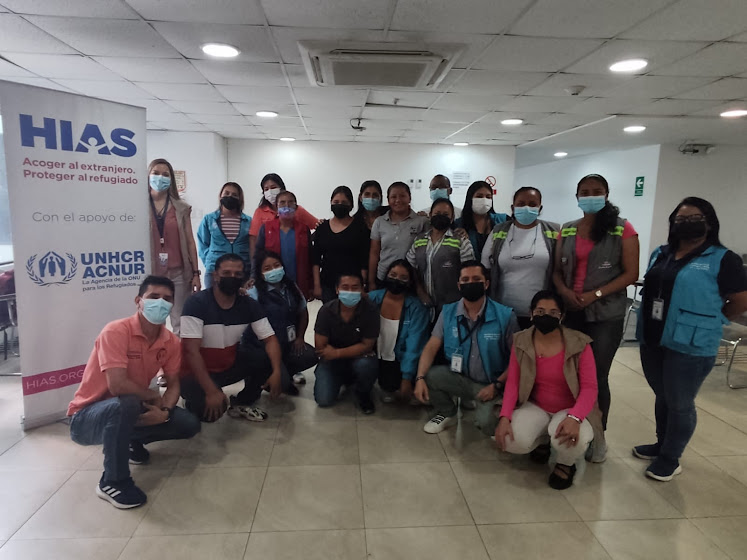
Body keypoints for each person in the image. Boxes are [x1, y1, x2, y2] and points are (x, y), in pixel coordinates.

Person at [633, 197, 747, 481]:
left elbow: (740, 300)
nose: (687, 224)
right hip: (654, 336)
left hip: (692, 343)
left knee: (680, 402)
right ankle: (661, 444)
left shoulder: (723, 259)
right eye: (681, 219)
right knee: (663, 395)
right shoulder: (661, 252)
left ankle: (671, 458)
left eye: (695, 218)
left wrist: (714, 319)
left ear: (710, 223)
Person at [68, 276, 201, 509]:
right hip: (86, 417)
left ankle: (127, 441)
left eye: (167, 299)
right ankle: (112, 481)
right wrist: (153, 396)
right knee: (126, 403)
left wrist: (164, 411)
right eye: (154, 297)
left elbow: (173, 384)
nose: (161, 303)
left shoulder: (170, 341)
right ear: (139, 301)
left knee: (188, 423)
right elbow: (117, 386)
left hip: (130, 409)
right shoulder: (116, 331)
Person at [553, 173, 639, 462]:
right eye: (585, 192)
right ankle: (572, 428)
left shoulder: (622, 229)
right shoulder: (567, 229)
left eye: (597, 191)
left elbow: (631, 274)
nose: (591, 196)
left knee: (597, 376)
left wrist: (595, 294)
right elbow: (556, 271)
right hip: (572, 311)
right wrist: (564, 292)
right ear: (577, 197)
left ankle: (598, 437)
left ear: (606, 194)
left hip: (605, 314)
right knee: (569, 373)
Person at [495, 291, 600, 490]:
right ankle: (543, 440)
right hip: (537, 406)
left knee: (571, 440)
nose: (546, 316)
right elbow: (513, 383)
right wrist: (505, 416)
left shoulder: (579, 344)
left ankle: (565, 463)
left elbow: (590, 388)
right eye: (540, 311)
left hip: (570, 409)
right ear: (531, 313)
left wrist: (575, 417)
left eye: (553, 312)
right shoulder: (521, 340)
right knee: (510, 440)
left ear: (562, 316)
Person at [414, 261, 518, 435]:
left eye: (476, 279)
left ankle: (488, 407)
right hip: (461, 378)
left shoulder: (505, 315)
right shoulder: (448, 312)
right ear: (459, 285)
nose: (470, 283)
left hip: (492, 383)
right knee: (430, 376)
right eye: (465, 280)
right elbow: (431, 346)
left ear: (486, 283)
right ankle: (448, 413)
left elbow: (517, 358)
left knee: (488, 426)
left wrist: (497, 384)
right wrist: (419, 378)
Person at [180, 254, 284, 423]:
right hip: (193, 373)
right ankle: (192, 400)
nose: (232, 277)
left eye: (237, 274)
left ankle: (243, 402)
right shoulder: (196, 304)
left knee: (263, 358)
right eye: (226, 273)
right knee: (210, 414)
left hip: (227, 365)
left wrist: (277, 371)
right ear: (215, 275)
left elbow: (270, 340)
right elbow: (191, 352)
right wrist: (211, 391)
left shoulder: (249, 305)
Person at [481, 187, 559, 329]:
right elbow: (485, 267)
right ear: (513, 207)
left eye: (532, 204)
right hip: (503, 312)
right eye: (521, 204)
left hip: (542, 314)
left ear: (540, 208)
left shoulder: (553, 231)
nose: (526, 208)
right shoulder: (498, 231)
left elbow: (562, 268)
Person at [249, 250, 318, 390]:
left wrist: (300, 337)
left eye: (276, 265)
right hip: (265, 348)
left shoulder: (291, 287)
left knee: (310, 355)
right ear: (260, 273)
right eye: (267, 268)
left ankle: (286, 372)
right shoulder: (254, 293)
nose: (273, 270)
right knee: (281, 382)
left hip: (288, 343)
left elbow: (303, 312)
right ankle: (264, 376)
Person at [313, 271, 380, 414]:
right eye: (345, 287)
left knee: (366, 365)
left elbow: (367, 345)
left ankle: (363, 393)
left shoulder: (371, 310)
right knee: (323, 400)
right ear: (337, 289)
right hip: (332, 362)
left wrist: (336, 353)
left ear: (362, 289)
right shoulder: (326, 310)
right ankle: (343, 379)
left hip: (358, 359)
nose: (350, 292)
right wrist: (350, 351)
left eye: (355, 287)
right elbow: (320, 347)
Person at [147, 158, 200, 335]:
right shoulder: (138, 206)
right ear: (148, 175)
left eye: (165, 174)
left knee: (180, 321)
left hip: (178, 272)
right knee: (154, 320)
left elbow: (190, 241)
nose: (160, 178)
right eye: (156, 173)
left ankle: (177, 352)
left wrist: (196, 273)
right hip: (152, 272)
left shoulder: (181, 208)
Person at [367, 260, 430, 403]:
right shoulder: (372, 298)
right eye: (393, 275)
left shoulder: (417, 308)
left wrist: (406, 377)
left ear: (410, 282)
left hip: (401, 360)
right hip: (374, 356)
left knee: (401, 393)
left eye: (403, 278)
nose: (396, 280)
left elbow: (415, 345)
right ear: (386, 275)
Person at [407, 198, 475, 313]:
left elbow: (470, 271)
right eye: (437, 213)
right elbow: (411, 266)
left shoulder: (461, 240)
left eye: (445, 214)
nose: (441, 217)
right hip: (423, 305)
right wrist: (420, 291)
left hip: (452, 305)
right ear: (430, 215)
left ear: (452, 218)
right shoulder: (419, 240)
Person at [312, 186, 371, 302]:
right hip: (327, 284)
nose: (339, 205)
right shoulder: (322, 228)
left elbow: (364, 260)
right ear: (331, 203)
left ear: (351, 205)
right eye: (336, 202)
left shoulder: (360, 227)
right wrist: (317, 285)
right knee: (330, 312)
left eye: (344, 202)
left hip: (352, 285)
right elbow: (316, 260)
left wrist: (362, 285)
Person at [369, 182, 428, 291]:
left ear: (409, 198)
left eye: (402, 196)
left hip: (410, 279)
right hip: (384, 277)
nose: (398, 200)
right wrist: (371, 282)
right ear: (388, 200)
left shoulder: (421, 222)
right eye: (393, 197)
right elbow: (374, 253)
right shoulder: (379, 222)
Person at [255, 190, 313, 298]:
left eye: (290, 202)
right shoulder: (266, 228)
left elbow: (310, 259)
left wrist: (312, 286)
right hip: (273, 282)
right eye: (282, 202)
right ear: (276, 207)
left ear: (296, 207)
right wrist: (254, 278)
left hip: (299, 282)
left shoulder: (304, 229)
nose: (287, 205)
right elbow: (257, 256)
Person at [249, 173, 318, 257]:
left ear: (281, 188)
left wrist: (307, 239)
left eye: (273, 187)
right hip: (270, 258)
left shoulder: (297, 210)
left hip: (295, 256)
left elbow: (317, 225)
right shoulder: (260, 211)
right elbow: (254, 238)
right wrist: (255, 261)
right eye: (266, 189)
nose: (270, 191)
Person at [197, 182, 251, 289]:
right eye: (226, 193)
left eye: (234, 195)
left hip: (240, 271)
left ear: (240, 199)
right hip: (215, 271)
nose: (230, 196)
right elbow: (203, 244)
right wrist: (210, 263)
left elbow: (252, 246)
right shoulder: (209, 219)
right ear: (220, 195)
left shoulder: (248, 221)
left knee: (242, 299)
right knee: (212, 299)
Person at [454, 180, 509, 258]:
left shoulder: (503, 220)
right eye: (479, 196)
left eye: (488, 197)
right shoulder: (459, 224)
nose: (484, 200)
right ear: (470, 198)